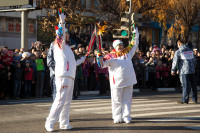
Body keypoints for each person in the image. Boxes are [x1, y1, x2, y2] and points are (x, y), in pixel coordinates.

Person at [45, 10, 86, 132]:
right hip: (62, 74)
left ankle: (64, 123)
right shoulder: (59, 45)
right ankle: (50, 122)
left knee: (67, 101)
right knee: (60, 99)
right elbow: (61, 34)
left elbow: (73, 63)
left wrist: (82, 60)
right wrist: (62, 22)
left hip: (70, 75)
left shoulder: (67, 48)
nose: (68, 35)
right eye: (66, 34)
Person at [101, 27, 139, 124]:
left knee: (127, 100)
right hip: (116, 82)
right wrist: (99, 57)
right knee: (117, 101)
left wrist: (135, 33)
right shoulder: (110, 56)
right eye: (119, 46)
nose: (121, 47)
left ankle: (126, 116)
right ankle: (117, 116)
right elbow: (102, 64)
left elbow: (134, 44)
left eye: (122, 45)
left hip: (129, 81)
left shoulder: (127, 53)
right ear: (115, 47)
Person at [171, 40, 198, 104]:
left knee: (185, 85)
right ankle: (194, 99)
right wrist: (192, 67)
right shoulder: (190, 51)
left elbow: (175, 61)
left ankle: (185, 100)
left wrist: (173, 70)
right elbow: (194, 60)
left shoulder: (179, 51)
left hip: (184, 70)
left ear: (179, 44)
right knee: (193, 85)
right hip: (192, 70)